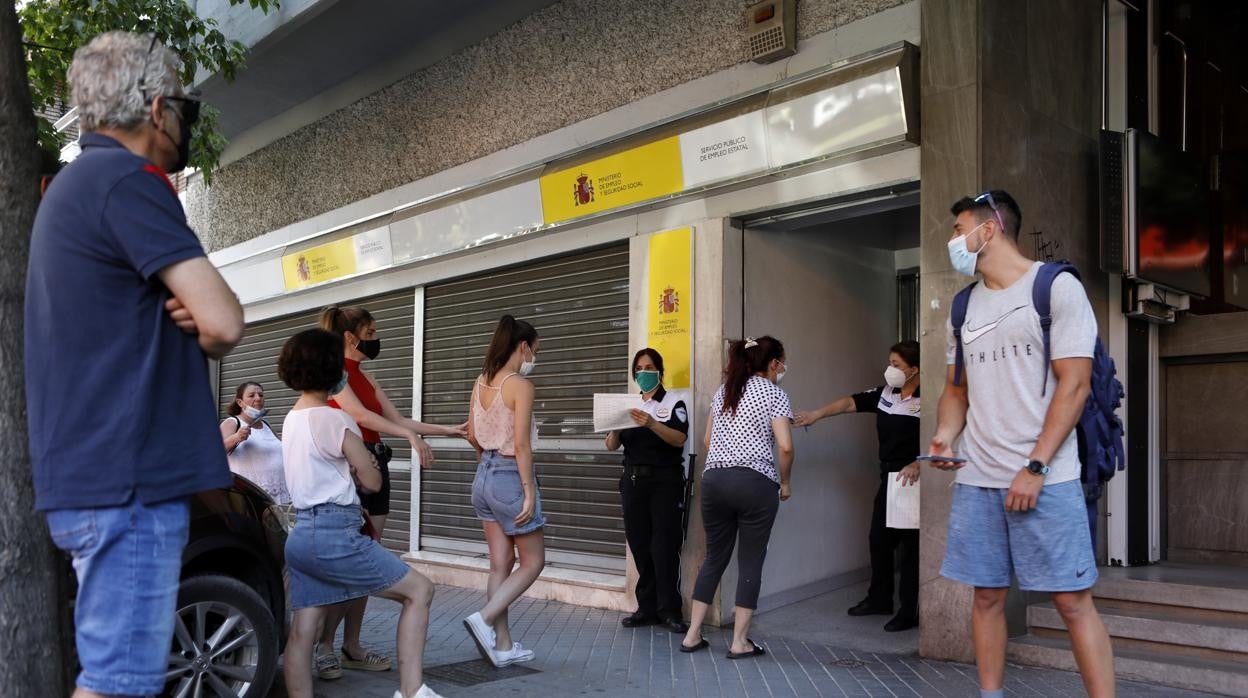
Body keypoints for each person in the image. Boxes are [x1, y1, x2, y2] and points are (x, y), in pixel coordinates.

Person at [25, 31, 245, 698]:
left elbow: (201, 325)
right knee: (121, 682)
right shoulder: (127, 180)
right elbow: (226, 320)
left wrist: (198, 326)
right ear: (157, 109)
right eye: (182, 106)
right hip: (130, 485)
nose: (183, 121)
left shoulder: (74, 187)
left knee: (110, 677)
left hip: (95, 478)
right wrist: (205, 327)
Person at [928, 191, 1114, 698]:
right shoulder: (963, 306)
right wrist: (945, 437)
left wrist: (1034, 467)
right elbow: (955, 390)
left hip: (1047, 478)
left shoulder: (1055, 287)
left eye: (958, 227)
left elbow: (1074, 385)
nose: (951, 240)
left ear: (989, 229)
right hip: (978, 479)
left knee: (1072, 601)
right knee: (986, 596)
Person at [276, 329, 442, 698]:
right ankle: (412, 690)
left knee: (304, 630)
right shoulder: (337, 420)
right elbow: (372, 482)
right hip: (337, 533)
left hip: (301, 534)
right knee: (419, 591)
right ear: (330, 367)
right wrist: (362, 464)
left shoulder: (291, 420)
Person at [315, 304, 466, 677]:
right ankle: (324, 644)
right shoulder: (336, 375)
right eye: (371, 333)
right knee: (350, 562)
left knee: (368, 559)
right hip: (352, 468)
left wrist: (450, 430)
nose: (376, 340)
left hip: (377, 466)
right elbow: (362, 417)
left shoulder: (366, 376)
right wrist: (409, 436)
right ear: (351, 338)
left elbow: (395, 419)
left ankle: (352, 644)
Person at [794, 340, 921, 632]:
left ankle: (909, 611)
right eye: (890, 363)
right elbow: (849, 402)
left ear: (914, 370)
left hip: (913, 480)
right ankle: (879, 598)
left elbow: (941, 435)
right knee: (879, 540)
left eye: (897, 365)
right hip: (887, 478)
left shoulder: (927, 400)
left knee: (911, 550)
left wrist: (919, 463)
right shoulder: (886, 394)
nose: (890, 369)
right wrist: (816, 414)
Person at [681, 336, 794, 658]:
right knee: (750, 561)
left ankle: (692, 635)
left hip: (715, 479)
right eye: (782, 361)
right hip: (755, 482)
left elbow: (706, 440)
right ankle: (739, 642)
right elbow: (785, 446)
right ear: (773, 363)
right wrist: (785, 483)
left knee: (714, 557)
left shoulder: (725, 391)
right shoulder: (775, 394)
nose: (783, 368)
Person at [461, 315, 545, 667]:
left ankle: (504, 645)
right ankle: (484, 618)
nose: (533, 358)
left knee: (500, 565)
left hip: (483, 476)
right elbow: (522, 446)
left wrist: (488, 463)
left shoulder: (481, 382)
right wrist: (527, 491)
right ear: (522, 346)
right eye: (534, 351)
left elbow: (471, 434)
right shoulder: (520, 386)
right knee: (533, 561)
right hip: (510, 476)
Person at [605, 348, 690, 634]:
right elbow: (611, 445)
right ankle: (647, 607)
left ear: (660, 370)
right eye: (639, 368)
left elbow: (679, 439)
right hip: (633, 482)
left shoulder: (673, 403)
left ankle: (670, 610)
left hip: (664, 483)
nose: (643, 372)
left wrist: (652, 423)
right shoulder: (629, 405)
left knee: (664, 546)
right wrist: (616, 425)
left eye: (649, 367)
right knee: (639, 544)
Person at [221, 381, 290, 504]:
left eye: (261, 395)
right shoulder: (233, 422)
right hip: (249, 498)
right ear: (239, 402)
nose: (258, 398)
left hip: (274, 495)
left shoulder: (266, 425)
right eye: (252, 395)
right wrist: (236, 437)